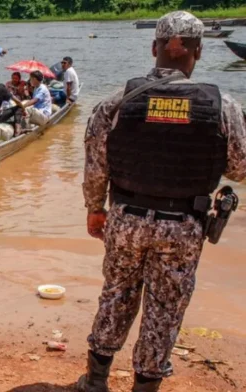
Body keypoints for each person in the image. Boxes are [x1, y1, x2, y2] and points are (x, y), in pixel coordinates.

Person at [78, 11, 246, 392]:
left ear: (154, 47)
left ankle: (95, 381)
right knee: (165, 309)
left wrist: (94, 209)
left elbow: (95, 165)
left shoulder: (116, 102)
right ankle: (145, 386)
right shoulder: (223, 106)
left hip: (124, 218)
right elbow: (239, 167)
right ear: (198, 51)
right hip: (183, 225)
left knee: (116, 295)